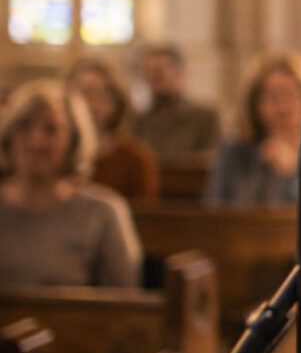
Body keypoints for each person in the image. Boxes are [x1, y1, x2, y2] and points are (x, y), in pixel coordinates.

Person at [0, 79, 142, 287]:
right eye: (24, 126)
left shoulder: (102, 212)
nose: (36, 141)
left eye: (51, 130)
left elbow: (124, 303)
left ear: (73, 142)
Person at [204, 50, 301, 208]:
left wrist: (290, 175)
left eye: (293, 95)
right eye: (273, 96)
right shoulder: (233, 155)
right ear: (255, 104)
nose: (283, 108)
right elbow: (215, 218)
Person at [66, 57, 160, 202]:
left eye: (101, 94)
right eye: (84, 93)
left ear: (117, 101)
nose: (92, 103)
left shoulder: (135, 158)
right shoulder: (58, 152)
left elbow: (143, 217)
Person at [134, 43, 222, 159]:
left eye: (160, 72)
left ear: (179, 72)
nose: (154, 77)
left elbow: (209, 161)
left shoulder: (205, 118)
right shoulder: (139, 121)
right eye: (149, 72)